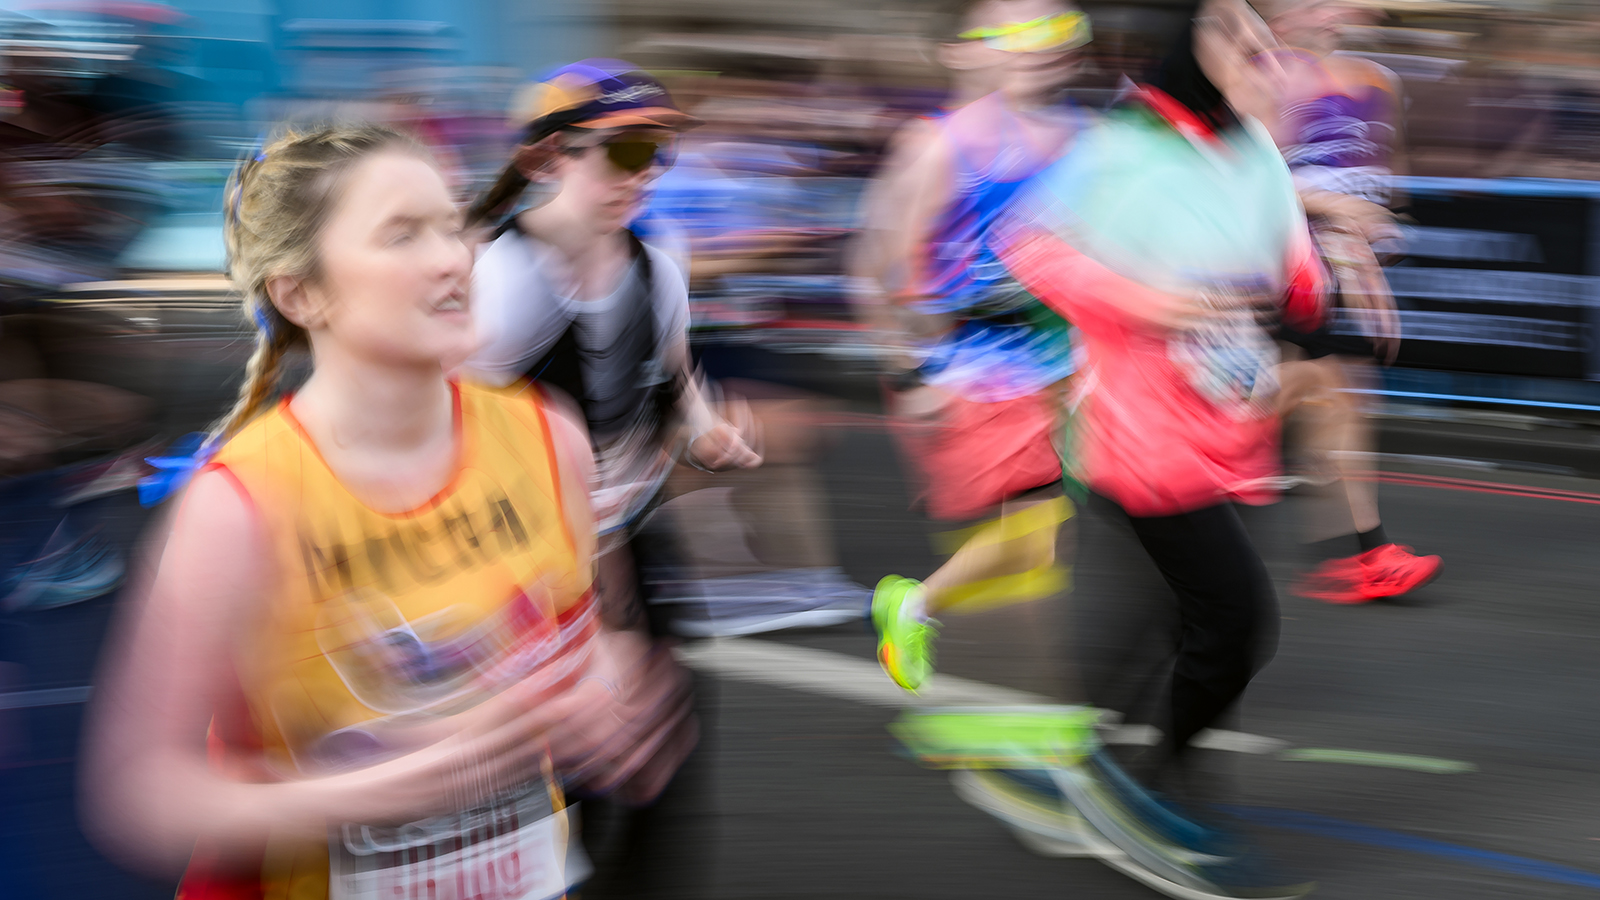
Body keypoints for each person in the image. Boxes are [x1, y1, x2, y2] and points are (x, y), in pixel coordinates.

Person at [81, 124, 691, 900]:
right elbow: (141, 795)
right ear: (301, 292)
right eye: (401, 235)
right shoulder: (238, 504)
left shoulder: (549, 435)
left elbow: (579, 638)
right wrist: (392, 790)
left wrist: (607, 692)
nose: (454, 257)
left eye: (450, 222)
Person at [991, 0, 1325, 894]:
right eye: (1243, 39)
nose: (1266, 57)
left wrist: (1314, 280)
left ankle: (1079, 778)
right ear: (1194, 43)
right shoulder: (1123, 143)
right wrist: (1154, 302)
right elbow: (1027, 247)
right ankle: (1151, 799)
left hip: (1235, 429)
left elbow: (1297, 277)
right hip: (1138, 437)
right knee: (1236, 621)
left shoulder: (1252, 146)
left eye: (1269, 42)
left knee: (1169, 621)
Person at [463, 60, 759, 899]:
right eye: (627, 153)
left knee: (667, 746)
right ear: (548, 159)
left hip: (630, 532)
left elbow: (671, 376)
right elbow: (459, 449)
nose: (649, 174)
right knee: (560, 767)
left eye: (660, 153)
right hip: (516, 558)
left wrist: (710, 433)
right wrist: (588, 613)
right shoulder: (496, 281)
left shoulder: (659, 258)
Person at [853, 0, 1091, 693]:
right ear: (975, 49)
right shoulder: (940, 143)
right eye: (1020, 34)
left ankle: (974, 660)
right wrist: (910, 372)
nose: (1042, 46)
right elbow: (885, 271)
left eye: (1059, 30)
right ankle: (920, 612)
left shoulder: (1080, 136)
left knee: (1042, 545)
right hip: (975, 373)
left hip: (1052, 368)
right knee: (1039, 531)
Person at [1262, 0, 1442, 604]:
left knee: (1338, 402)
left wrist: (1380, 230)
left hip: (1339, 268)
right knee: (1323, 397)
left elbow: (1389, 178)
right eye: (1314, 2)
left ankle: (1356, 553)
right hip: (1280, 265)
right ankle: (1362, 552)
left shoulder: (1376, 81)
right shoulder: (1270, 78)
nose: (1333, 11)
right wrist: (1334, 212)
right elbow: (1249, 180)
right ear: (1280, 16)